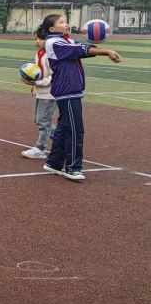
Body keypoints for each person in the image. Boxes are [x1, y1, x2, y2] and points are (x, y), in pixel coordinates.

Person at [39, 14, 123, 181]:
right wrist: (106, 51)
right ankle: (72, 168)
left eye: (65, 21)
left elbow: (82, 47)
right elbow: (79, 50)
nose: (66, 24)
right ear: (51, 29)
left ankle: (54, 163)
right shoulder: (54, 42)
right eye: (61, 22)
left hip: (70, 90)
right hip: (67, 91)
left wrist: (99, 49)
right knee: (75, 129)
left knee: (64, 127)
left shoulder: (65, 40)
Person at [21, 29, 56, 159]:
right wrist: (32, 81)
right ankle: (62, 140)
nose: (37, 41)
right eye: (35, 39)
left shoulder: (51, 56)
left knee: (43, 121)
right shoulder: (39, 54)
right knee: (39, 119)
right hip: (41, 92)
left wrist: (39, 82)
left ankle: (40, 148)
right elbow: (38, 72)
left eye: (40, 39)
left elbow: (55, 76)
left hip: (49, 93)